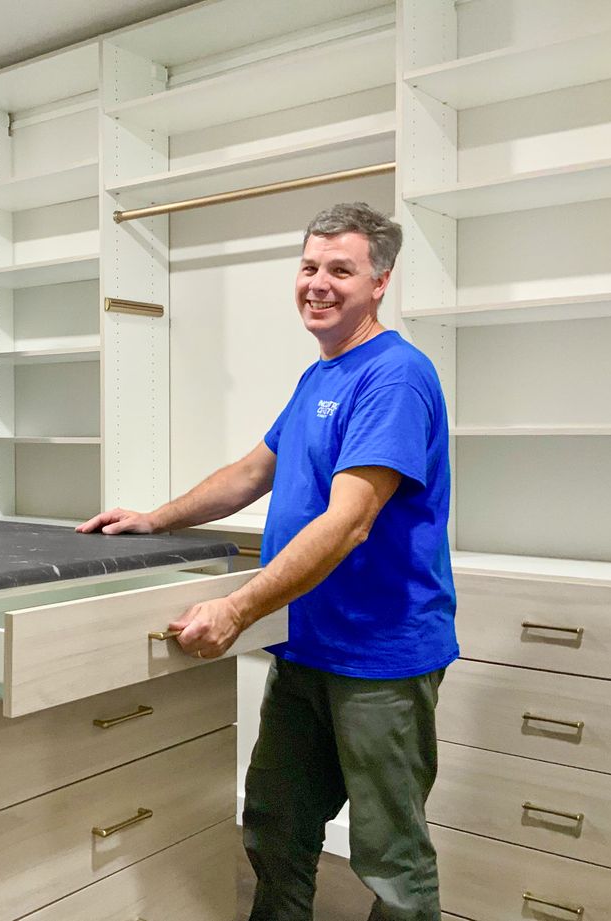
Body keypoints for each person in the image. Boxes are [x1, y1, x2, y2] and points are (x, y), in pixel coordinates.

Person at [78, 202, 456, 921]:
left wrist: (237, 606)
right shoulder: (324, 374)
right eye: (309, 266)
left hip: (380, 657)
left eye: (340, 269)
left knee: (391, 857)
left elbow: (348, 524)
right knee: (277, 824)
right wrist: (154, 516)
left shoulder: (395, 376)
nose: (317, 282)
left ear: (380, 281)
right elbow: (253, 471)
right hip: (308, 644)